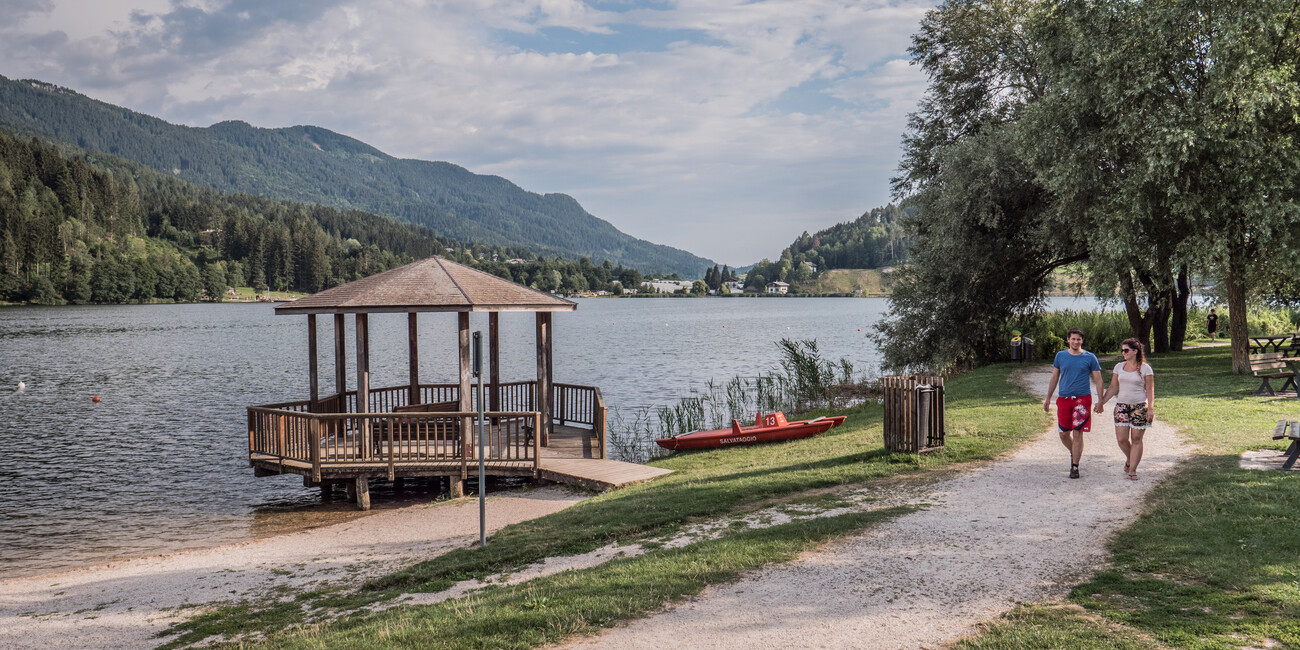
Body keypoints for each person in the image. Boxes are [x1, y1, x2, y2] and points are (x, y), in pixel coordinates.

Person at [1043, 327, 1104, 479]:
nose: (1076, 342)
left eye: (1078, 339)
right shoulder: (1060, 356)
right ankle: (1074, 452)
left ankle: (1075, 466)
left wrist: (1101, 400)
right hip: (1064, 399)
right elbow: (1055, 377)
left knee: (1078, 433)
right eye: (1073, 339)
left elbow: (1098, 379)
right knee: (1064, 434)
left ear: (1082, 341)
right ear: (1068, 339)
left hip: (1082, 400)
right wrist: (1048, 397)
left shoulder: (1090, 357)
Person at [1096, 337, 1155, 480]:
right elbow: (1113, 387)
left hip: (1140, 406)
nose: (1123, 353)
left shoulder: (1146, 369)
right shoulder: (1118, 367)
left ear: (1135, 351)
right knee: (1122, 439)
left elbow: (1150, 390)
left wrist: (1150, 408)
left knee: (1136, 439)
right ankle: (1130, 458)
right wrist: (1101, 402)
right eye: (1122, 350)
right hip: (1121, 406)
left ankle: (1133, 469)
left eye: (1126, 350)